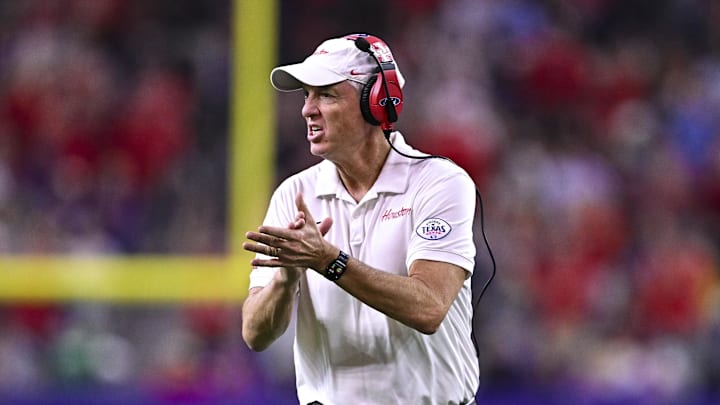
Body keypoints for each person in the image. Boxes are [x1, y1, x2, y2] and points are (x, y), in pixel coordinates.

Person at [241, 33, 480, 404]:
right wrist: (285, 283)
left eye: (326, 94)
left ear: (377, 103)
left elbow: (429, 307)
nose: (307, 109)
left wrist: (327, 260)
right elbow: (255, 335)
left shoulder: (439, 182)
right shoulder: (294, 194)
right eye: (306, 95)